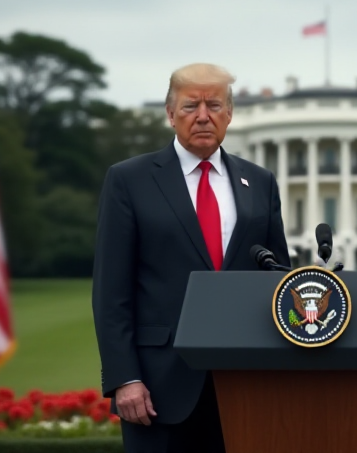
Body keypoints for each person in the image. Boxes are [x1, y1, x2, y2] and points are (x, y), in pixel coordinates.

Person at [92, 63, 291, 453]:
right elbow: (111, 290)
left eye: (214, 105)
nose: (203, 116)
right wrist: (124, 378)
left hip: (245, 383)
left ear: (230, 114)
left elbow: (275, 279)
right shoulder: (129, 180)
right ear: (170, 114)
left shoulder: (260, 182)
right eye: (190, 106)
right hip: (158, 387)